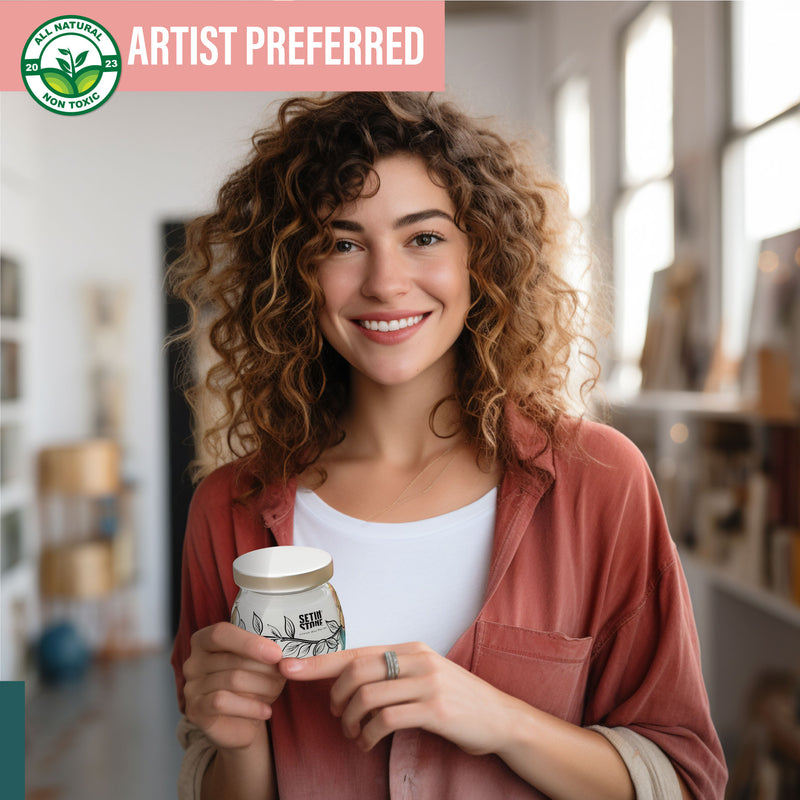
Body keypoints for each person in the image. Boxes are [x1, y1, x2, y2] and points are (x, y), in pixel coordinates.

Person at [169, 92, 727, 800]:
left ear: (481, 258)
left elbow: (684, 779)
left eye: (423, 237)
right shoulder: (229, 510)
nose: (385, 282)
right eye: (342, 243)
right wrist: (238, 743)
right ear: (294, 275)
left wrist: (499, 720)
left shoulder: (601, 482)